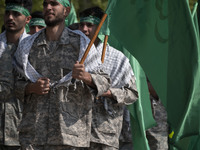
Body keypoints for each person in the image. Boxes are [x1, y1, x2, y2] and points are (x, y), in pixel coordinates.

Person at [14, 0, 111, 149]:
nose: (48, 7)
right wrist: (32, 88)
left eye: (54, 3)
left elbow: (105, 81)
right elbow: (14, 84)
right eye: (46, 4)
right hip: (34, 136)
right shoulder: (28, 45)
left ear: (66, 11)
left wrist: (85, 76)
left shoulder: (82, 44)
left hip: (70, 136)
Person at [79, 7, 138, 150]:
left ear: (101, 27)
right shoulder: (70, 53)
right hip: (74, 134)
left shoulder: (117, 58)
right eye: (82, 25)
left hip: (104, 135)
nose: (84, 29)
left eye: (90, 25)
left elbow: (132, 93)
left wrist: (107, 92)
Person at [0, 0, 32, 149]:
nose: (10, 17)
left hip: (26, 132)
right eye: (7, 13)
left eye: (16, 14)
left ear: (27, 19)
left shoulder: (35, 49)